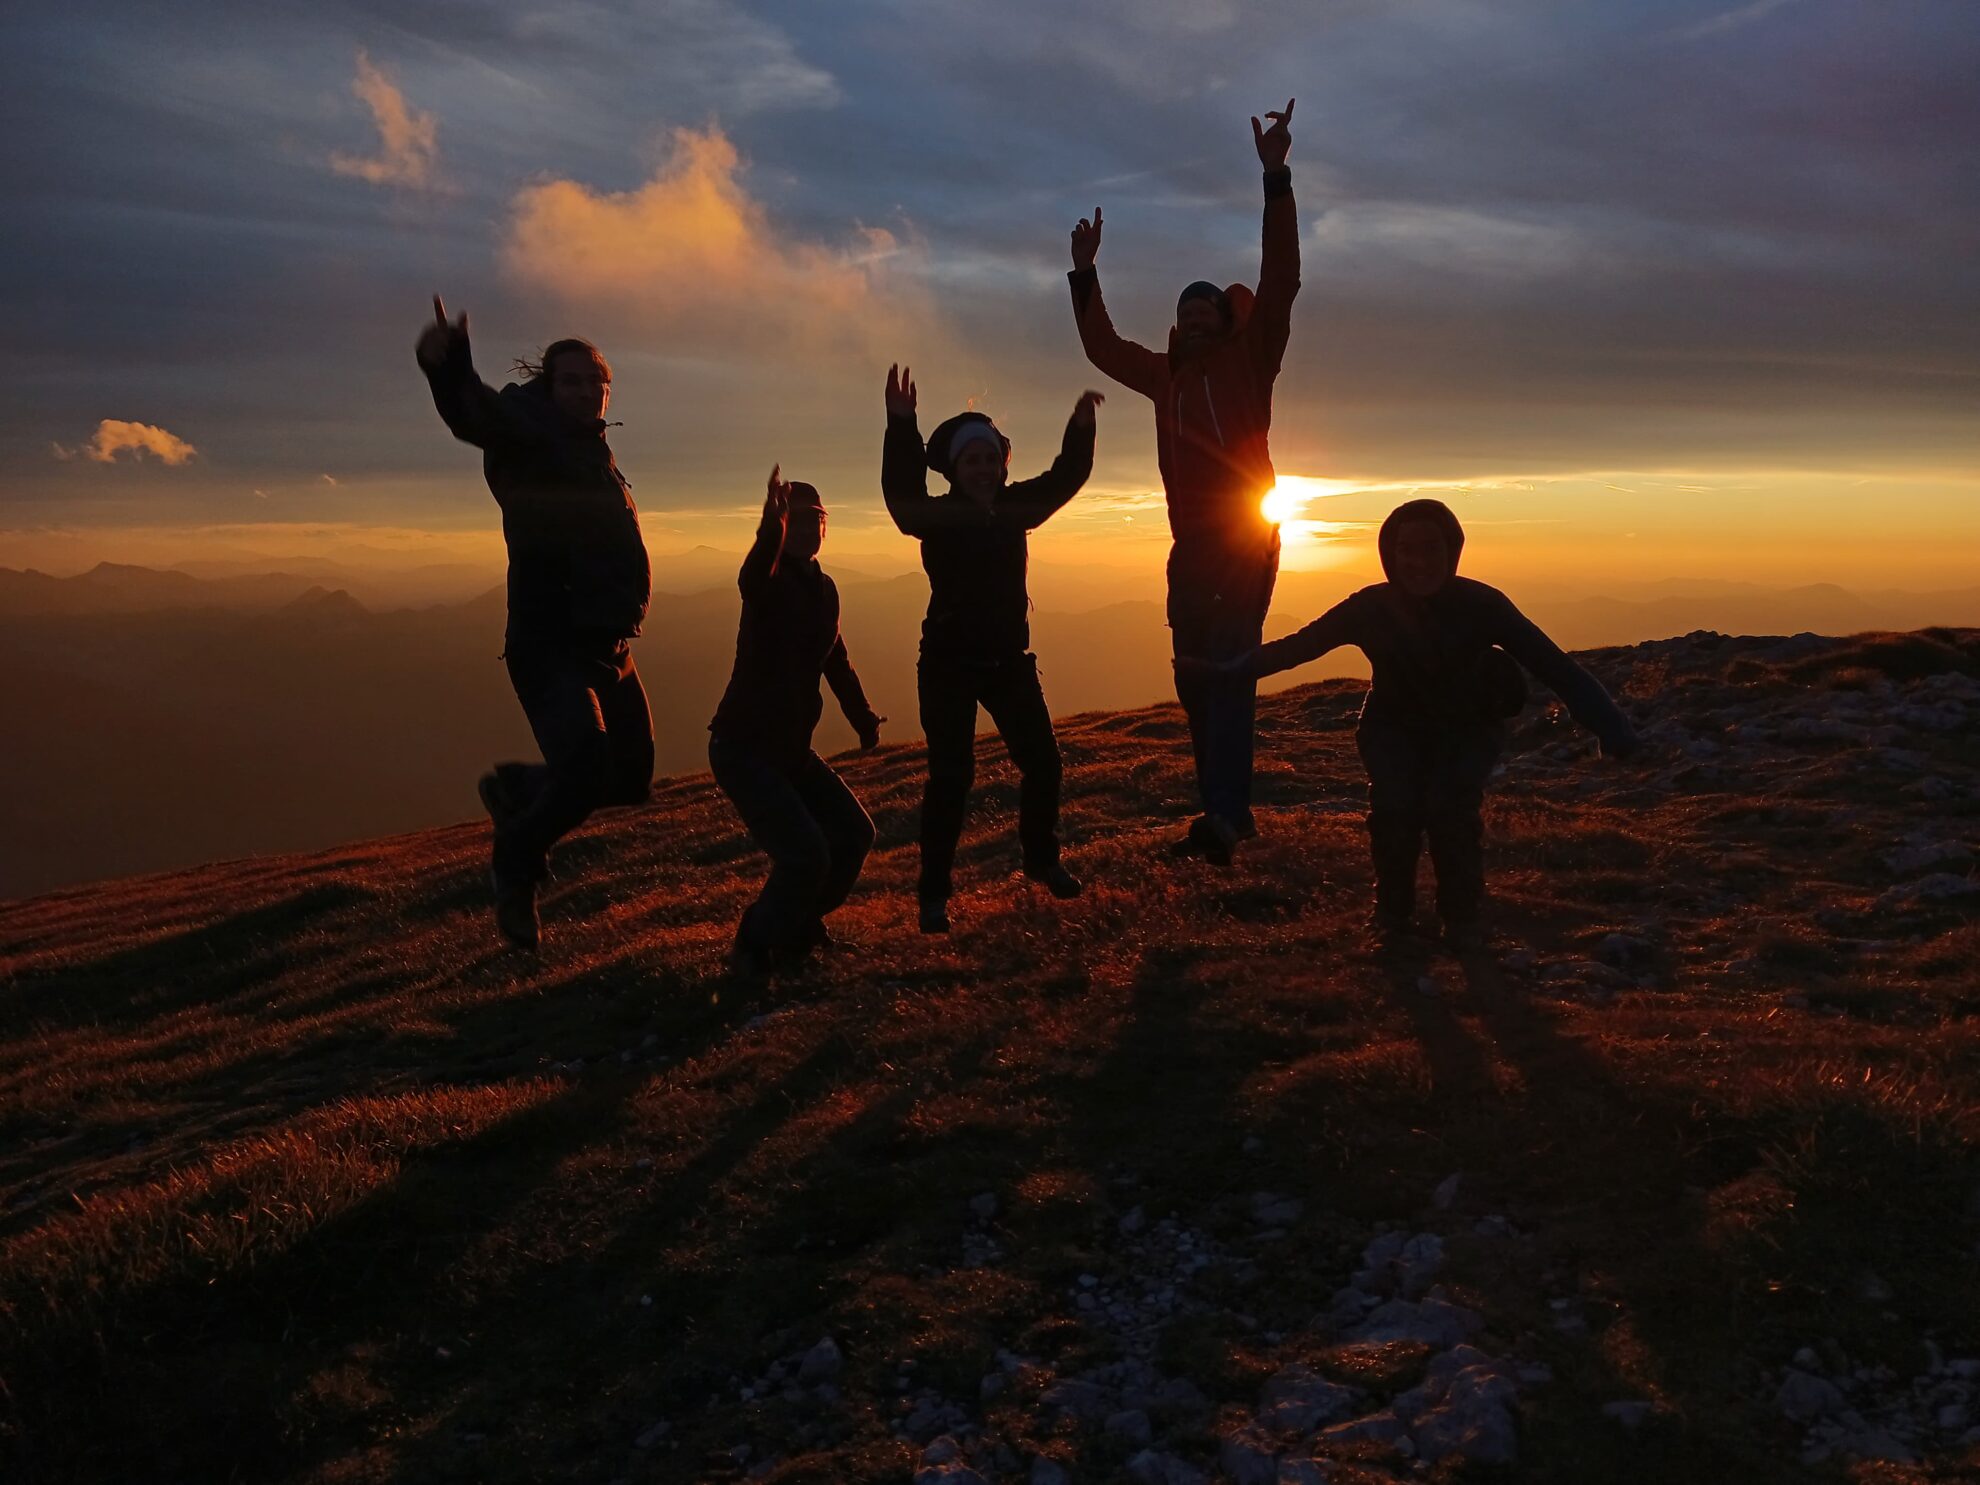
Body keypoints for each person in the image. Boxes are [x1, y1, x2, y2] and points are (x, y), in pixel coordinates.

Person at [1181, 498, 1641, 948]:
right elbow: (1297, 648)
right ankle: (1392, 919)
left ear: (1452, 551)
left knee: (1451, 810)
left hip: (1468, 728)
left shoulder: (1483, 605)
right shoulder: (1369, 607)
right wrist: (1222, 673)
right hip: (1390, 727)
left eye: (1431, 549)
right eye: (1407, 550)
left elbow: (1554, 666)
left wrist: (1612, 728)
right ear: (1390, 554)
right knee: (1394, 810)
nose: (1420, 562)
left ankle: (1461, 921)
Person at [1068, 100, 1300, 866]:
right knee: (1195, 679)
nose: (1197, 321)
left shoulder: (1251, 359)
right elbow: (1103, 347)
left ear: (1224, 320)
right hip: (1191, 550)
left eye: (1206, 312)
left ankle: (1226, 819)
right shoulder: (1163, 376)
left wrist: (1275, 177)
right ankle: (1222, 812)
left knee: (1229, 669)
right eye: (1187, 314)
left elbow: (1281, 277)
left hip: (1247, 539)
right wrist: (1084, 272)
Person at [415, 296, 653, 949]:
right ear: (550, 388)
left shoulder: (592, 451)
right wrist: (449, 368)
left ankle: (517, 788)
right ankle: (516, 864)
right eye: (570, 381)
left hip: (608, 644)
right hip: (551, 644)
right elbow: (477, 415)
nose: (585, 391)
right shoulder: (530, 433)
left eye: (595, 381)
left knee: (630, 778)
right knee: (584, 767)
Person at [881, 364, 1103, 933]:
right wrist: (901, 425)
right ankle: (934, 897)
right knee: (951, 779)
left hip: (1008, 664)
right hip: (948, 666)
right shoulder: (938, 517)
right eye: (971, 461)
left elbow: (1065, 478)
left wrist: (1081, 427)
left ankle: (1041, 860)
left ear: (1003, 464)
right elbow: (902, 499)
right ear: (955, 469)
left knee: (1044, 765)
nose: (982, 469)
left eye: (990, 459)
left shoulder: (1015, 508)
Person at [708, 468, 884, 972]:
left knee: (854, 834)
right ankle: (753, 946)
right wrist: (772, 524)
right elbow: (753, 572)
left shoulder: (824, 589)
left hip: (791, 751)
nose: (808, 530)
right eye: (797, 521)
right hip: (743, 748)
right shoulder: (766, 583)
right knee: (806, 854)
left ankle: (798, 925)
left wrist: (863, 718)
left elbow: (836, 659)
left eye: (816, 521)